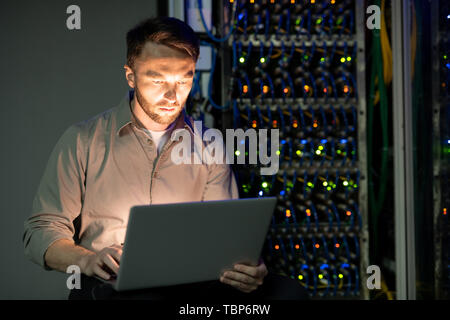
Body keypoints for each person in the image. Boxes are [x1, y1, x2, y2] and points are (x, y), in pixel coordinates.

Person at [23, 16, 308, 301]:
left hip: (192, 284)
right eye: (158, 78)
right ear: (130, 76)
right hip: (110, 284)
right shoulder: (82, 140)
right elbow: (41, 231)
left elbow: (224, 239)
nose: (173, 95)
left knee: (287, 293)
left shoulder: (209, 145)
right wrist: (87, 260)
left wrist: (245, 269)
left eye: (185, 78)